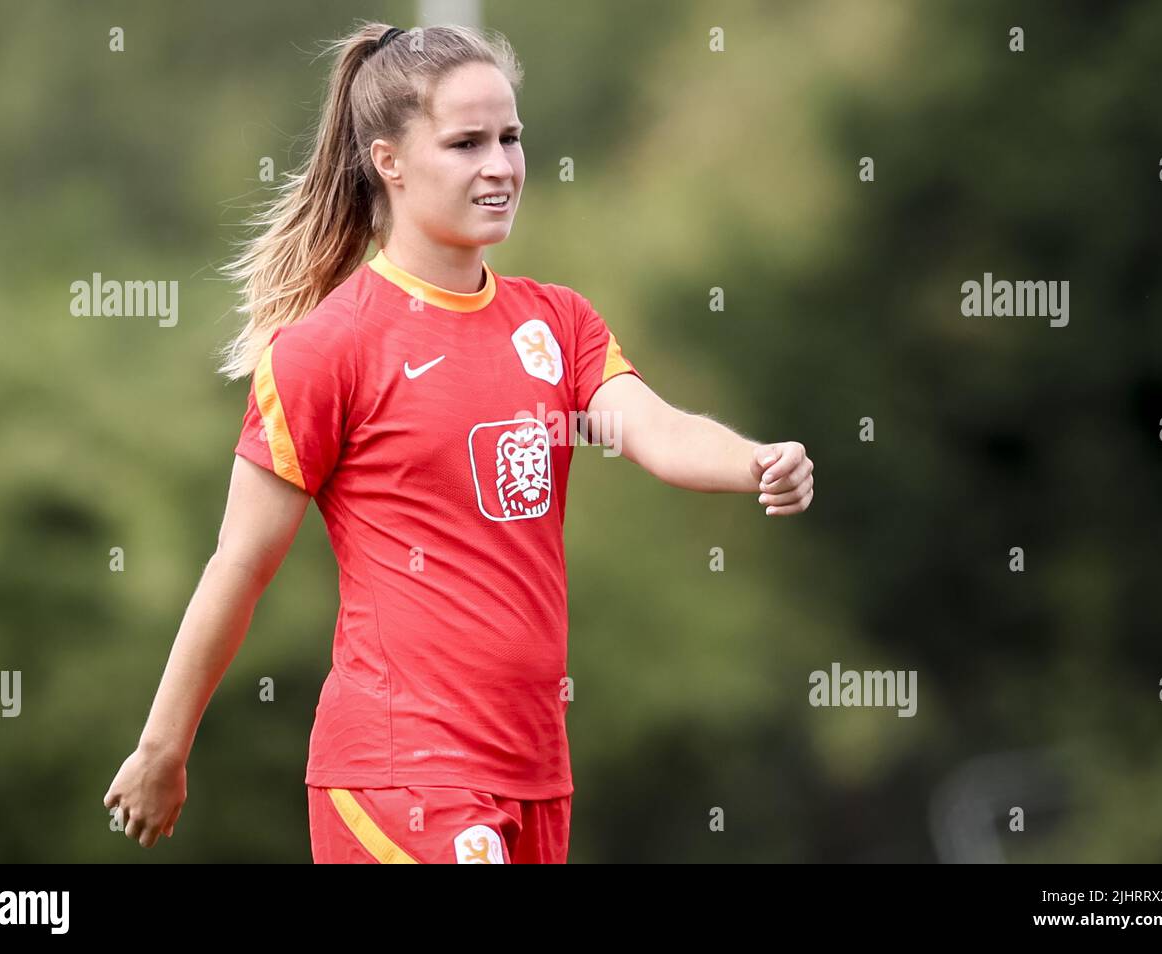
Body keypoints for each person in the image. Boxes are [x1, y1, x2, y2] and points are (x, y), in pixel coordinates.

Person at [103, 21, 814, 864]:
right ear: (388, 161)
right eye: (466, 142)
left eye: (510, 138)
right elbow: (239, 565)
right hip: (397, 772)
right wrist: (163, 747)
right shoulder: (329, 351)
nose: (501, 165)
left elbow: (651, 428)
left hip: (535, 770)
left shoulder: (558, 321)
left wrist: (754, 461)